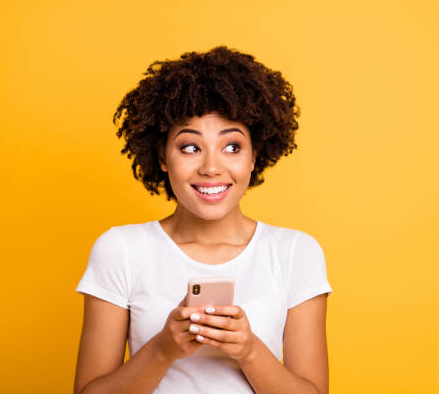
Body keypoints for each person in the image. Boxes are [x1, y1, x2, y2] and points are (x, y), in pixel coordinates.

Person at [73, 46, 332, 394]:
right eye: (190, 147)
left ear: (255, 156)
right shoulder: (120, 250)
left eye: (232, 147)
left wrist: (250, 351)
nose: (211, 167)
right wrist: (164, 348)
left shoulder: (295, 252)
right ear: (163, 157)